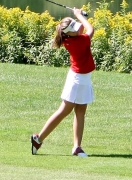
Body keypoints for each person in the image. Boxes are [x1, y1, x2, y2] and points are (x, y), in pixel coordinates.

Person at [31, 8, 94, 157]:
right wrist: (79, 15)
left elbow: (81, 27)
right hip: (77, 80)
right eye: (74, 29)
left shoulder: (69, 37)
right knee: (64, 111)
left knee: (80, 112)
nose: (78, 29)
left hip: (83, 79)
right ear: (69, 33)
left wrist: (79, 17)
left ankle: (77, 147)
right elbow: (90, 29)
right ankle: (38, 139)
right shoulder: (79, 41)